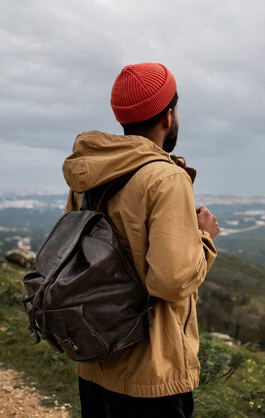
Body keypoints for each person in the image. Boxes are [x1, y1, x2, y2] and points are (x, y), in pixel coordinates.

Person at [61, 62, 219, 417]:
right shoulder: (165, 178)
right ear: (167, 116)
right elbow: (169, 281)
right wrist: (204, 239)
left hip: (96, 355)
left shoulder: (90, 173)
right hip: (151, 373)